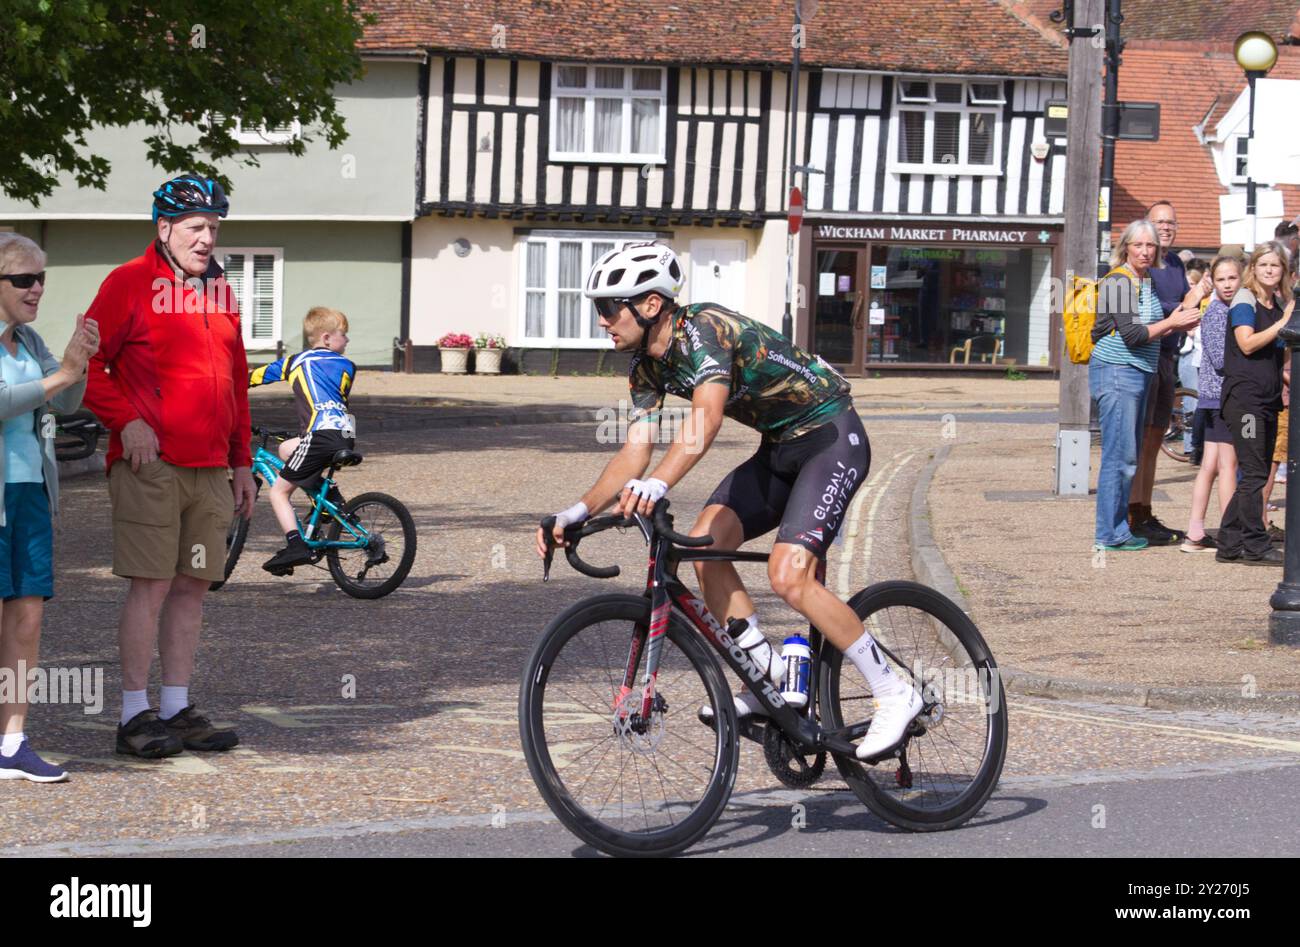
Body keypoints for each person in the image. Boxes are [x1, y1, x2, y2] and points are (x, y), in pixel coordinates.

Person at [534, 243, 916, 761]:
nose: (602, 320)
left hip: (831, 439)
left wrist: (660, 484)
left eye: (608, 307)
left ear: (649, 305)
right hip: (780, 449)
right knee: (705, 547)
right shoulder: (646, 365)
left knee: (788, 575)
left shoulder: (704, 329)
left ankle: (896, 692)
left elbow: (707, 418)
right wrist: (577, 511)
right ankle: (770, 676)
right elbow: (635, 449)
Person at [82, 174, 256, 758]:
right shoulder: (128, 283)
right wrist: (126, 421)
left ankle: (177, 706)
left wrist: (241, 461)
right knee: (152, 585)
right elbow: (86, 365)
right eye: (195, 227)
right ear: (164, 228)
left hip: (210, 470)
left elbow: (236, 382)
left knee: (192, 586)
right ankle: (135, 715)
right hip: (150, 464)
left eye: (213, 227)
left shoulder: (221, 294)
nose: (206, 238)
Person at [0, 235, 99, 782]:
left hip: (29, 492)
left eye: (41, 278)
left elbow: (62, 402)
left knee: (27, 618)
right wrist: (58, 374)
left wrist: (75, 362)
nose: (37, 288)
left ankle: (12, 742)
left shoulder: (28, 340)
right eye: (23, 279)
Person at [1090, 219, 1201, 551]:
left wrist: (1189, 303)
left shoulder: (1144, 281)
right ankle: (1109, 534)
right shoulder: (1117, 283)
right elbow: (1134, 334)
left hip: (1138, 372)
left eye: (1150, 245)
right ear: (1126, 247)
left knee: (1130, 455)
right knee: (1119, 456)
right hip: (1117, 372)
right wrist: (1173, 321)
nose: (1144, 250)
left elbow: (1155, 328)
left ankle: (1119, 528)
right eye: (1138, 244)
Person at [248, 307, 356, 573]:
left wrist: (233, 384)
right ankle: (328, 496)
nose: (348, 340)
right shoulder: (348, 366)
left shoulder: (298, 361)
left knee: (278, 492)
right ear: (327, 338)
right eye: (346, 334)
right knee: (286, 448)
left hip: (319, 436)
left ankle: (296, 544)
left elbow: (259, 376)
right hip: (345, 434)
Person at [1129, 201, 1210, 544]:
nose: (1165, 227)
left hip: (1169, 356)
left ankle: (1145, 510)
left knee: (1153, 438)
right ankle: (1132, 512)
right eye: (1159, 222)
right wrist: (1187, 305)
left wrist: (1194, 299)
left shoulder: (1175, 261)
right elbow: (1147, 307)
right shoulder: (1142, 265)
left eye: (1171, 222)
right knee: (1137, 440)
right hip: (1144, 355)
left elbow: (1182, 304)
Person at [1215, 241, 1293, 565]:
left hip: (1268, 400)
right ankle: (1255, 544)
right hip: (1245, 402)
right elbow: (1246, 344)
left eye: (1275, 266)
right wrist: (1282, 324)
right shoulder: (1245, 300)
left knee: (1253, 474)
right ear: (1254, 269)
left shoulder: (1277, 304)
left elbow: (1281, 353)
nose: (1270, 271)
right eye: (1264, 265)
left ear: (1283, 271)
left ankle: (1229, 544)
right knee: (1255, 472)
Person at [1182, 255, 1241, 552]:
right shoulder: (1219, 312)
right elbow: (1220, 359)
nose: (1228, 284)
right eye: (1221, 279)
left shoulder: (1228, 309)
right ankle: (1231, 534)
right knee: (1227, 464)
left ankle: (1195, 532)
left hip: (1216, 394)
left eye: (1232, 278)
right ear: (1212, 282)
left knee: (1210, 464)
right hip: (1220, 395)